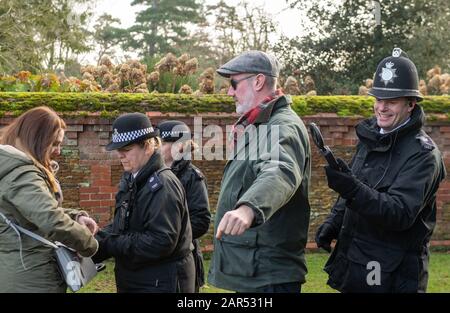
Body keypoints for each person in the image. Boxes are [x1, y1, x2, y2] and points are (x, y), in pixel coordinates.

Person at [315, 48, 446, 293]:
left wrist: (352, 189)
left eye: (391, 101)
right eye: (378, 99)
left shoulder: (423, 154)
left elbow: (399, 212)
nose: (382, 108)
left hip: (395, 275)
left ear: (411, 104)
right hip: (357, 263)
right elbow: (355, 187)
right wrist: (334, 221)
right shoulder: (372, 137)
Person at [207, 50, 312, 293]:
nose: (230, 92)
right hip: (254, 271)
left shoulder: (282, 125)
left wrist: (248, 208)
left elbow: (280, 170)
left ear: (258, 81)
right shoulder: (259, 125)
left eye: (234, 83)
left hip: (269, 276)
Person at [93, 112, 195, 293]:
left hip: (159, 282)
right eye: (118, 151)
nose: (120, 156)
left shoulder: (163, 184)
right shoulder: (133, 178)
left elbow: (161, 241)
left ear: (148, 146)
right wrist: (94, 242)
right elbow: (124, 224)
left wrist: (110, 243)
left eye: (126, 149)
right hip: (140, 279)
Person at [0, 106, 99, 293]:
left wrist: (75, 217)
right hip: (30, 279)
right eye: (54, 143)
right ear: (36, 138)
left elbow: (29, 212)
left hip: (23, 271)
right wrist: (89, 244)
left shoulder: (13, 169)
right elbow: (51, 219)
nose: (58, 151)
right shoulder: (20, 174)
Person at [157, 120, 211, 292]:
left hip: (182, 258)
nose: (157, 147)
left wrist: (170, 238)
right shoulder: (153, 173)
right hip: (155, 258)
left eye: (163, 143)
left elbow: (201, 221)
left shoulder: (193, 177)